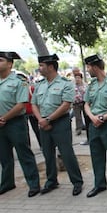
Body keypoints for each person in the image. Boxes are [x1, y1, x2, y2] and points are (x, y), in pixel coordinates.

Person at [31, 54, 83, 196]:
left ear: (51, 67)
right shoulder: (39, 84)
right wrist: (41, 120)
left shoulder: (65, 83)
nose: (39, 68)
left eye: (42, 65)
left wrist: (48, 120)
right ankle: (51, 181)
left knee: (67, 153)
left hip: (60, 123)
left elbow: (66, 105)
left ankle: (77, 182)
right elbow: (34, 104)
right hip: (42, 122)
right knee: (47, 153)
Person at [83, 54, 107, 199]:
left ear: (95, 67)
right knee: (96, 155)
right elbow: (86, 104)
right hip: (94, 124)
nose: (87, 70)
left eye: (88, 67)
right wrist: (93, 117)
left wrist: (103, 117)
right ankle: (99, 184)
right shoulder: (91, 85)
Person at [0, 51, 40, 197]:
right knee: (4, 156)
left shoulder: (19, 81)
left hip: (15, 122)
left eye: (0, 60)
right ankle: (7, 183)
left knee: (24, 153)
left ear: (10, 64)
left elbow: (21, 104)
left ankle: (34, 184)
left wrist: (4, 118)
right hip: (1, 124)